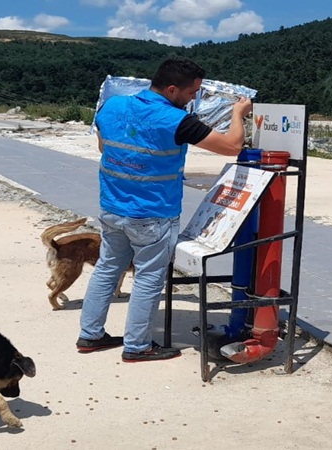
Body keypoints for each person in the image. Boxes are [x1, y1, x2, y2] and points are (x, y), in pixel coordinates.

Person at [75, 57, 253, 362]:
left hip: (112, 207)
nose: (194, 98)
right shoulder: (176, 120)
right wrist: (238, 113)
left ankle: (90, 336)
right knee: (148, 279)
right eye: (192, 92)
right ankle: (138, 346)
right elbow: (233, 146)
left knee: (107, 269)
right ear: (172, 89)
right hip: (153, 215)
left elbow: (104, 147)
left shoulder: (113, 105)